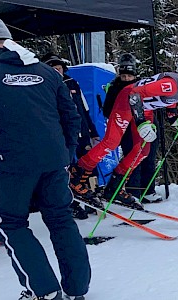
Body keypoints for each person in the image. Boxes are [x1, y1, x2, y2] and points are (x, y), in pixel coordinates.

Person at [0, 17, 90, 300]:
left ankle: (45, 291)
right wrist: (66, 153)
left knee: (11, 223)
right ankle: (77, 289)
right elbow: (72, 117)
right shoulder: (45, 71)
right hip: (54, 160)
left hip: (10, 162)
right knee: (60, 218)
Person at [69, 64, 178, 210]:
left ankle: (115, 186)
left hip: (144, 108)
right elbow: (134, 93)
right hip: (127, 102)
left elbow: (172, 99)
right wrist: (140, 123)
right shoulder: (169, 85)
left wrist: (174, 118)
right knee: (111, 142)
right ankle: (76, 176)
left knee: (143, 151)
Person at [42, 53, 101, 220]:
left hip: (80, 130)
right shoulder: (44, 86)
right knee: (66, 167)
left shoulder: (72, 83)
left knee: (88, 164)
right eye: (53, 68)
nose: (57, 71)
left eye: (59, 67)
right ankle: (72, 204)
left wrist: (93, 131)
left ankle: (93, 197)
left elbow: (84, 109)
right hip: (60, 134)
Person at [103, 53, 163, 203]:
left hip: (147, 124)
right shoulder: (115, 87)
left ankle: (148, 190)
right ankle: (133, 191)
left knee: (148, 156)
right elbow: (107, 110)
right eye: (123, 76)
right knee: (133, 157)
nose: (126, 79)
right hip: (127, 128)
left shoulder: (142, 85)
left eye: (129, 76)